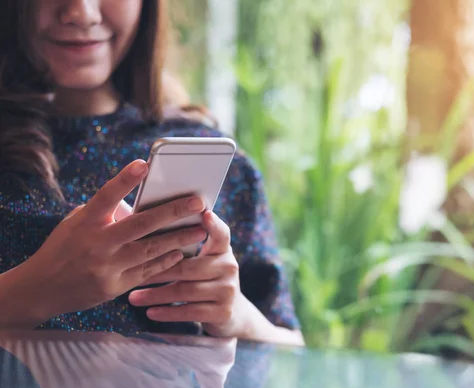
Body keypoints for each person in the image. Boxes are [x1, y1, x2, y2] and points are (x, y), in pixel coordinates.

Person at [0, 0, 304, 347]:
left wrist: (236, 316)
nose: (82, 13)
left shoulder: (213, 157)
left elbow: (296, 357)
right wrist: (36, 290)